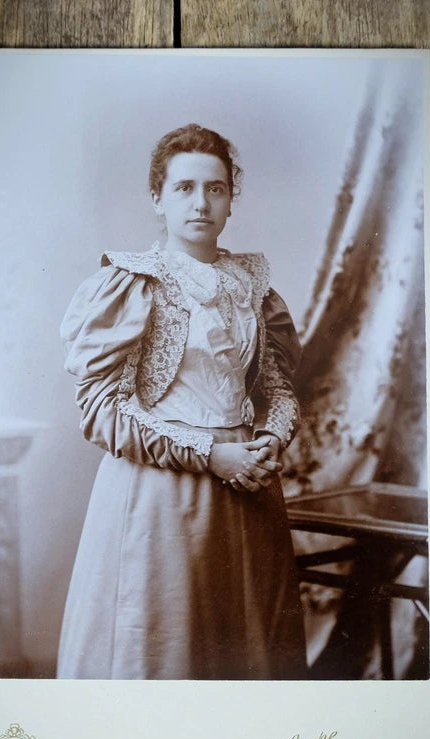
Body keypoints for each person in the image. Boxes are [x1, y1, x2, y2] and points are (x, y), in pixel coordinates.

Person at [57, 123, 306, 680]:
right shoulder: (130, 284)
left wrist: (269, 440)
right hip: (159, 498)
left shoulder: (255, 287)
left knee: (246, 655)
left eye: (215, 189)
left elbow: (278, 390)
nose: (201, 203)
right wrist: (210, 455)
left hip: (248, 493)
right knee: (164, 653)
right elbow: (101, 409)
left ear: (231, 200)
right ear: (158, 198)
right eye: (185, 188)